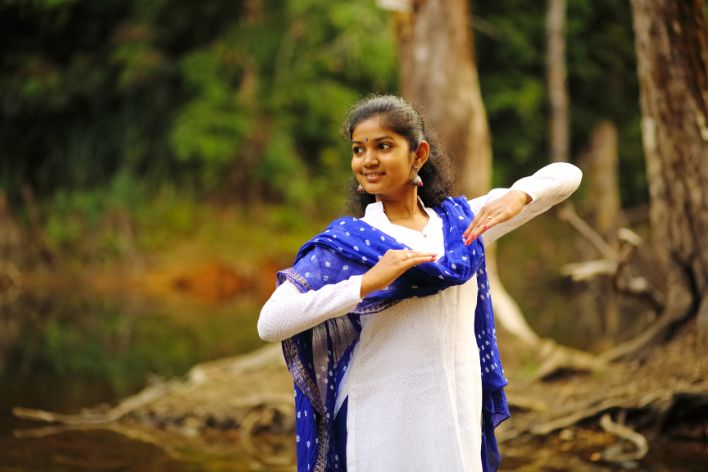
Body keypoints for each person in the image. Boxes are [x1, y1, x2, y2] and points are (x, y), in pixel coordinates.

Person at [258, 95, 582, 472]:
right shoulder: (351, 244)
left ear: (419, 154)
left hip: (456, 408)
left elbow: (567, 175)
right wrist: (364, 284)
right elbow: (271, 322)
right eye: (359, 149)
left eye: (384, 146)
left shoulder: (465, 225)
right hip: (381, 416)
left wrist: (520, 195)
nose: (368, 160)